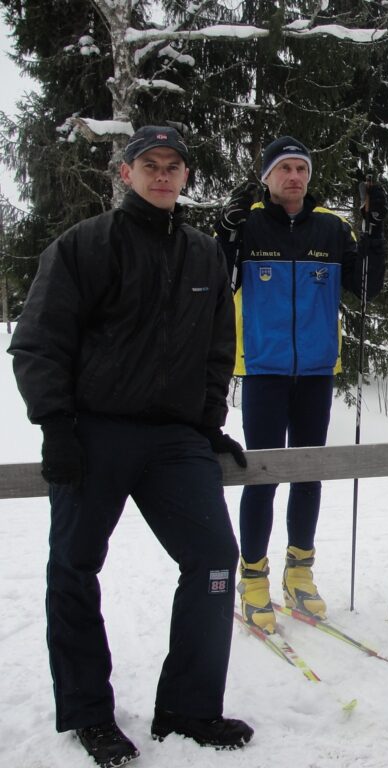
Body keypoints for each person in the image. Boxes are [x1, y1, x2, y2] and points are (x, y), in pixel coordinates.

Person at [9, 126, 252, 766]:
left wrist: (205, 420)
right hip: (95, 432)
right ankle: (89, 711)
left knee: (215, 561)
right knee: (74, 566)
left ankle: (189, 707)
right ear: (126, 173)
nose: (163, 176)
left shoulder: (205, 254)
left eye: (175, 166)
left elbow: (215, 349)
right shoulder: (85, 245)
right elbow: (39, 341)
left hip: (174, 440)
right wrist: (57, 427)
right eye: (151, 165)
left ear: (187, 177)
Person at [215, 136, 387, 633]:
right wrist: (225, 235)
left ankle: (299, 571)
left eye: (302, 168)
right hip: (264, 369)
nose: (294, 177)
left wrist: (374, 232)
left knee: (309, 472)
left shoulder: (332, 228)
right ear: (267, 176)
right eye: (285, 168)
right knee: (263, 473)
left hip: (315, 371)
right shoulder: (249, 224)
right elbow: (221, 280)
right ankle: (253, 578)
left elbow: (367, 285)